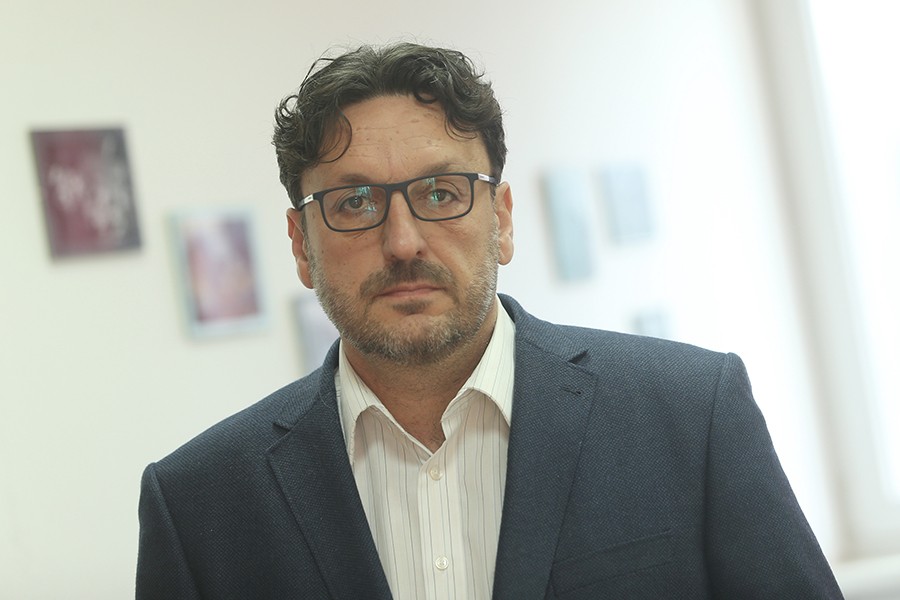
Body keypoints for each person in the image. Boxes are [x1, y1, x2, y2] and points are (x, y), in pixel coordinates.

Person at [136, 42, 843, 599]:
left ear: (501, 221)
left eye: (441, 192)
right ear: (300, 246)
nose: (403, 242)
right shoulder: (200, 504)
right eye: (354, 203)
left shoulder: (690, 414)